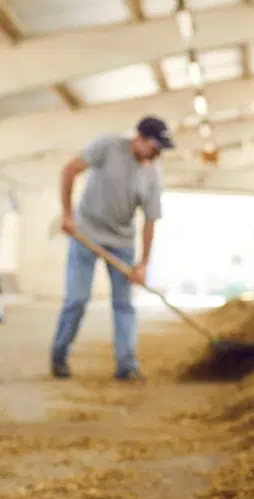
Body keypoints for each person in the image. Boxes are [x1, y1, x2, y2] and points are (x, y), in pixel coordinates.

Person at [49, 116, 171, 382]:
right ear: (139, 139)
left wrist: (143, 263)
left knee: (124, 304)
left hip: (121, 242)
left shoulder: (152, 174)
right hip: (86, 233)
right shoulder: (108, 146)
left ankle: (127, 365)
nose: (157, 154)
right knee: (77, 299)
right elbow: (70, 169)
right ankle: (59, 355)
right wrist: (67, 214)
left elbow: (150, 221)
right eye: (155, 147)